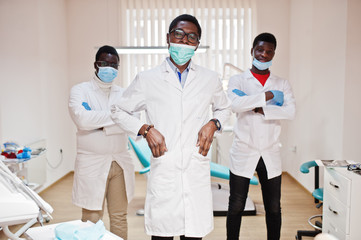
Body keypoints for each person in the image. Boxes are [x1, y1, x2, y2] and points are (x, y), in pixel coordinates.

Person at [111, 14, 231, 240]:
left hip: (195, 169)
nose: (184, 40)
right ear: (168, 37)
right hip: (166, 169)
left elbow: (225, 109)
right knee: (162, 234)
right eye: (179, 34)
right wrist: (145, 129)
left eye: (192, 37)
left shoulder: (209, 78)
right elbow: (118, 110)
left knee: (193, 234)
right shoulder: (148, 79)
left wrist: (213, 123)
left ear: (197, 44)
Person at [226, 33, 296, 240]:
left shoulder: (282, 83)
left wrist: (254, 105)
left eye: (269, 51)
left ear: (274, 53)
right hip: (244, 149)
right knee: (236, 205)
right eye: (260, 50)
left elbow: (290, 112)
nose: (264, 55)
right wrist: (269, 97)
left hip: (270, 151)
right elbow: (234, 105)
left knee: (273, 208)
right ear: (252, 51)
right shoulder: (237, 79)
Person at [68, 45, 135, 240]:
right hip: (91, 162)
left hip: (119, 162)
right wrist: (117, 118)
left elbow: (132, 122)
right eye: (104, 63)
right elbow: (81, 119)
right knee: (91, 218)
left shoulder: (124, 94)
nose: (109, 68)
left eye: (113, 64)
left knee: (119, 217)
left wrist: (98, 123)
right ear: (96, 65)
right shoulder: (80, 90)